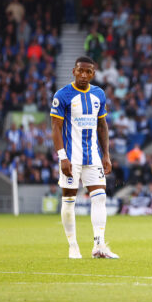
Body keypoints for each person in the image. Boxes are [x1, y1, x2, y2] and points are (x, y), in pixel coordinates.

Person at [50, 56, 118, 259]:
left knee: (100, 197)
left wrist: (106, 154)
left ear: (93, 74)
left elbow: (102, 126)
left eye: (88, 72)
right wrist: (62, 157)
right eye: (80, 70)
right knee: (69, 201)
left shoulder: (99, 94)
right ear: (74, 71)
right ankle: (73, 246)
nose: (84, 75)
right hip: (71, 157)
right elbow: (56, 127)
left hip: (93, 157)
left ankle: (99, 246)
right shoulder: (62, 95)